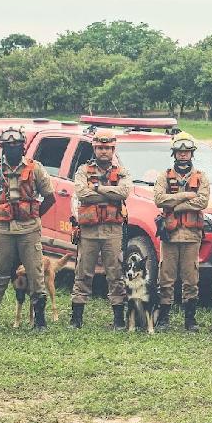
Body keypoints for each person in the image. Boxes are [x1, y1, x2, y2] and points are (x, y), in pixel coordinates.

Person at [0, 126, 56, 331]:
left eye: (17, 145)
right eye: (8, 145)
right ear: (2, 147)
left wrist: (33, 215)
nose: (13, 149)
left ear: (23, 147)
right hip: (3, 231)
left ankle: (40, 321)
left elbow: (50, 197)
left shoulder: (35, 168)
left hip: (28, 231)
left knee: (36, 273)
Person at [71, 129, 131, 330]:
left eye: (107, 148)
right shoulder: (83, 170)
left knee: (115, 273)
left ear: (113, 149)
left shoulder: (121, 171)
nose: (103, 151)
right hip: (89, 231)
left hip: (112, 231)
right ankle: (76, 318)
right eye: (99, 147)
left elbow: (124, 192)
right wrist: (109, 195)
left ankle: (118, 319)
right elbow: (82, 194)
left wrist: (97, 189)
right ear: (94, 148)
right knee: (83, 272)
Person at [153, 132, 210, 332]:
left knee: (191, 277)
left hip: (191, 236)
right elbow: (159, 199)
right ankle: (164, 317)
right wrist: (186, 196)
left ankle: (190, 319)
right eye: (180, 152)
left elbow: (202, 201)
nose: (183, 155)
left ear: (192, 153)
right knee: (166, 276)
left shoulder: (201, 176)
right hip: (170, 234)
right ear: (174, 153)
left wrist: (174, 202)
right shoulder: (163, 176)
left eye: (187, 152)